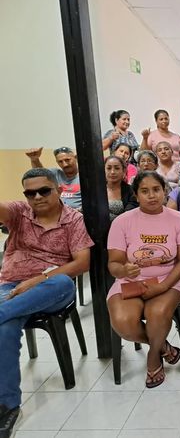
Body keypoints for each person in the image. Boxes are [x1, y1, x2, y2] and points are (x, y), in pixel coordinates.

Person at [0, 168, 94, 436]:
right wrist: (21, 287)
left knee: (63, 283)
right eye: (30, 193)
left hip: (50, 288)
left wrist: (36, 281)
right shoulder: (19, 212)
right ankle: (8, 406)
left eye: (44, 191)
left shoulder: (73, 219)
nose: (37, 197)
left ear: (58, 190)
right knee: (5, 329)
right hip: (10, 287)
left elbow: (82, 263)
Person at [107, 171, 180, 389]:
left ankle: (154, 356)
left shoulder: (179, 220)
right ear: (136, 195)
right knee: (123, 322)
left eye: (156, 189)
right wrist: (124, 269)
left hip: (169, 277)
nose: (152, 195)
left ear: (165, 191)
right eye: (144, 191)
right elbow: (113, 264)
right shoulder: (122, 222)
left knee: (157, 312)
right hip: (132, 280)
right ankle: (164, 347)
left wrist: (163, 286)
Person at [105, 156, 138, 221]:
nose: (112, 172)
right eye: (109, 168)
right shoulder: (97, 190)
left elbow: (129, 215)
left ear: (124, 171)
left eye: (117, 168)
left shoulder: (131, 191)